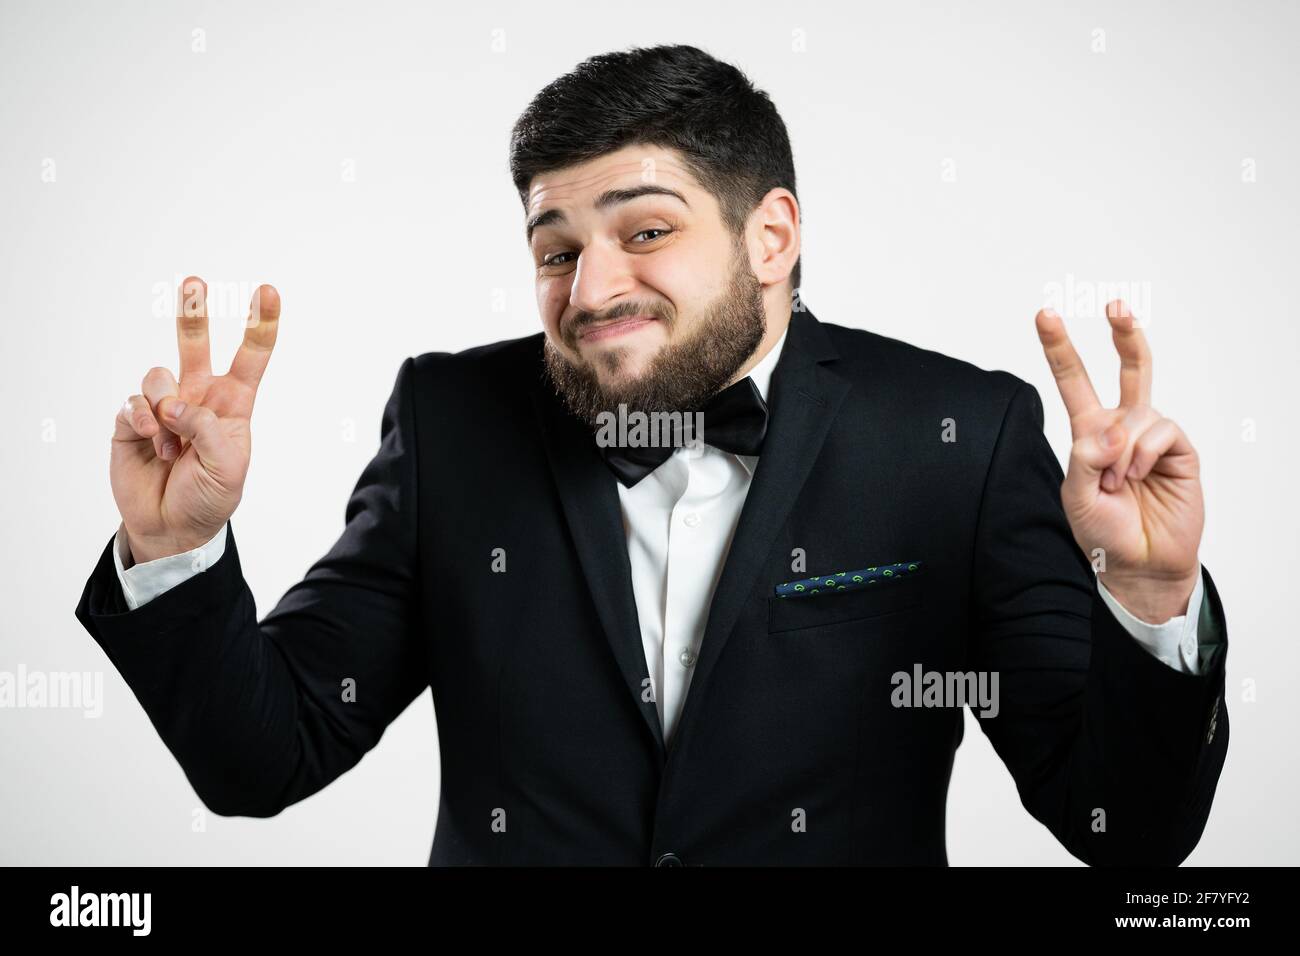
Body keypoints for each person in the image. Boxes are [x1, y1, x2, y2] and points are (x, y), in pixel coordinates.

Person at [76, 44, 1228, 865]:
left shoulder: (956, 435)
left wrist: (1149, 594)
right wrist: (175, 548)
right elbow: (264, 756)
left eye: (645, 230)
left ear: (770, 234)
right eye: (555, 247)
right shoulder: (451, 419)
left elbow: (1118, 830)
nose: (590, 289)